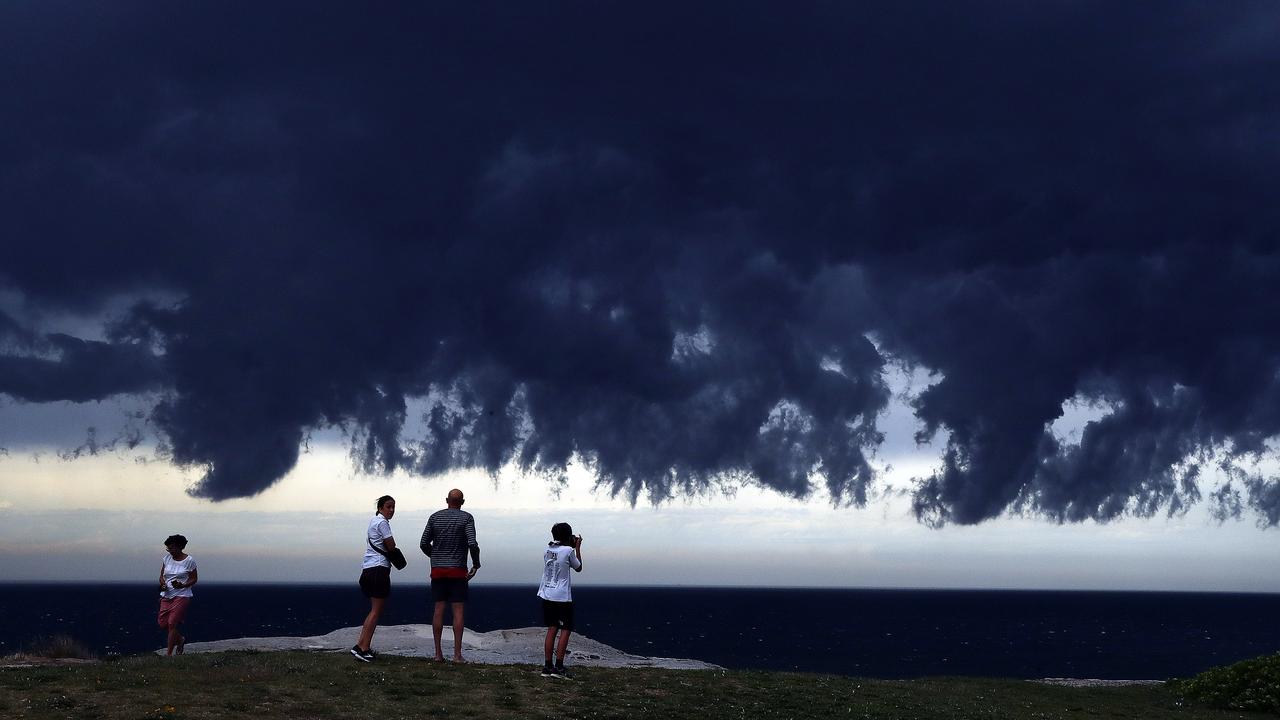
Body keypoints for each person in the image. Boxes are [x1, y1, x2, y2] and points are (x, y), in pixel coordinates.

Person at [419, 488, 480, 662]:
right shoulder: (467, 518)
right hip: (458, 570)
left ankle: (438, 654)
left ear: (447, 500)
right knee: (458, 611)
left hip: (437, 571)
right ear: (462, 502)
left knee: (438, 610)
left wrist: (435, 556)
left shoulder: (435, 517)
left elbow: (423, 543)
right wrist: (476, 564)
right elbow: (472, 544)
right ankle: (457, 655)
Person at [353, 495, 397, 662]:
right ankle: (363, 648)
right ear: (380, 508)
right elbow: (391, 545)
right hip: (379, 569)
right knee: (376, 611)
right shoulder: (383, 523)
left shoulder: (373, 521)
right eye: (388, 507)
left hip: (368, 569)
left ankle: (360, 645)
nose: (391, 510)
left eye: (393, 507)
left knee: (373, 610)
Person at [537, 522, 583, 678]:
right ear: (568, 536)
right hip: (562, 597)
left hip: (547, 594)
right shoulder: (568, 551)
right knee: (566, 629)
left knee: (552, 629)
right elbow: (578, 567)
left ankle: (547, 666)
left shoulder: (547, 550)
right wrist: (577, 547)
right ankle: (559, 666)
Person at [157, 534, 197, 657]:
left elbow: (194, 579)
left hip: (182, 595)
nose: (170, 551)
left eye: (172, 548)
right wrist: (163, 584)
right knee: (162, 623)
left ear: (180, 547)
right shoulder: (167, 559)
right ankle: (180, 640)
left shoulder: (189, 561)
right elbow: (162, 576)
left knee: (172, 623)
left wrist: (183, 585)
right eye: (168, 548)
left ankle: (169, 655)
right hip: (167, 595)